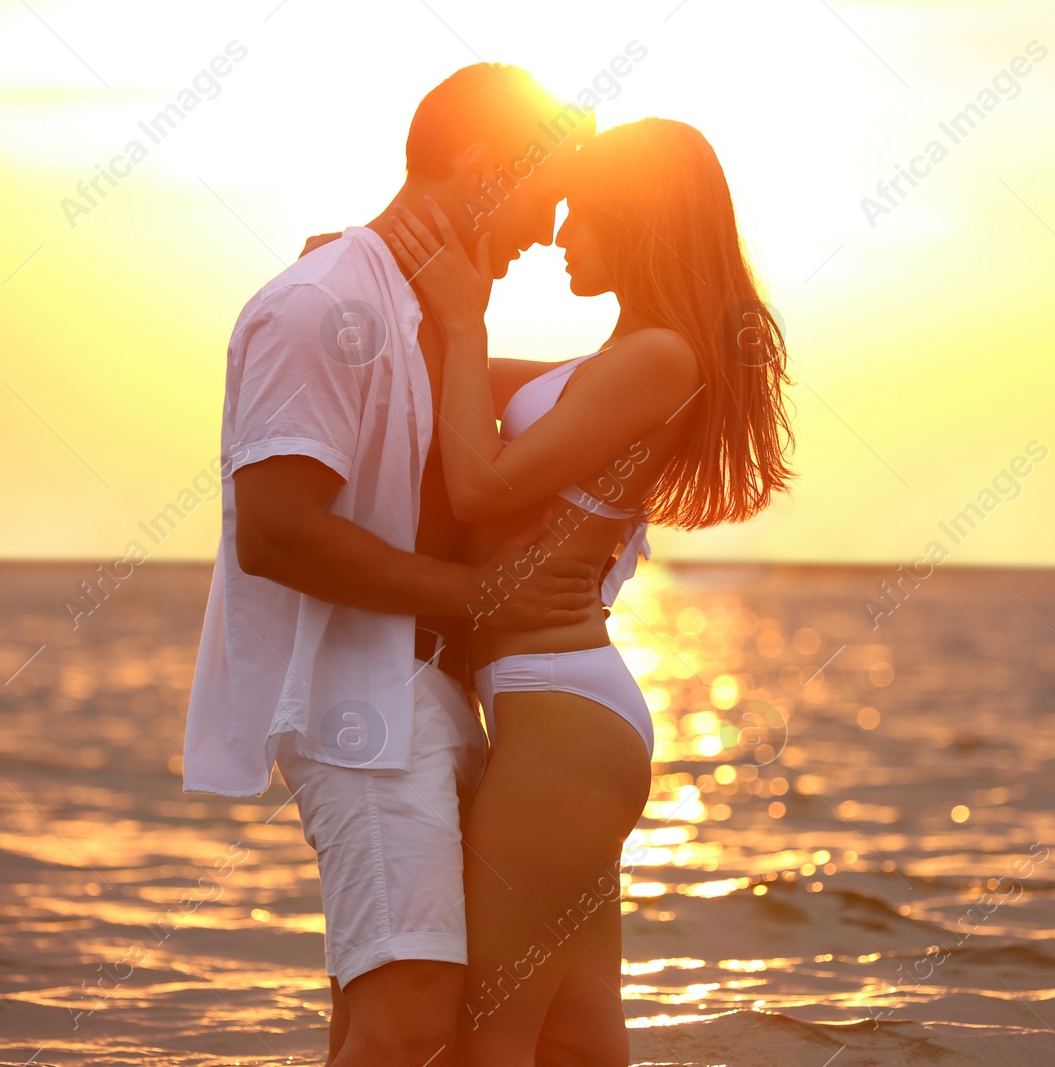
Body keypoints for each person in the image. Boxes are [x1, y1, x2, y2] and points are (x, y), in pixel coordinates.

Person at [181, 64, 600, 1067]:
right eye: (543, 190)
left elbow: (589, 388)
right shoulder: (320, 303)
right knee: (408, 1020)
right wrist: (480, 595)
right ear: (477, 164)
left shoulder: (419, 316)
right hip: (360, 713)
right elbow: (275, 531)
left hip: (432, 698)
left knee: (411, 1022)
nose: (548, 228)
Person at [384, 116, 796, 1067]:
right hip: (558, 714)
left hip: (563, 718)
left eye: (581, 216)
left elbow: (480, 485)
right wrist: (367, 279)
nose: (562, 237)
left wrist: (461, 311)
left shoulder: (661, 359)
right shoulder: (612, 363)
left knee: (486, 1034)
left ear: (635, 220)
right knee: (575, 1038)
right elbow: (450, 380)